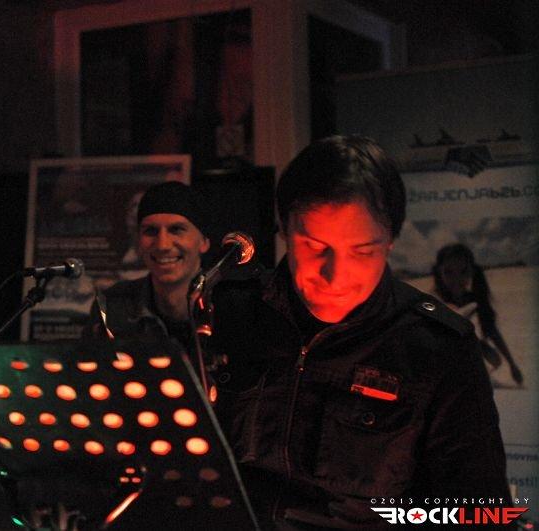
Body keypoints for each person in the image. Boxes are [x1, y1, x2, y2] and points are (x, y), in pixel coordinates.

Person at [211, 136, 510, 529]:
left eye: (363, 251)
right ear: (283, 228)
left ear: (391, 241)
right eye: (314, 246)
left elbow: (483, 514)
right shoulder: (227, 312)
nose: (335, 276)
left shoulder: (437, 347)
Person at [86, 181, 210, 349]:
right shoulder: (112, 305)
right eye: (151, 231)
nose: (162, 245)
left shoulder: (232, 307)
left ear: (204, 241)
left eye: (176, 230)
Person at [432, 243, 523, 385]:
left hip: (465, 352)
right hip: (439, 356)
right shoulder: (433, 300)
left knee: (493, 358)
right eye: (449, 272)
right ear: (439, 272)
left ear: (472, 272)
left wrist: (512, 364)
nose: (457, 279)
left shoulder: (473, 299)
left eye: (463, 272)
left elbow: (492, 330)